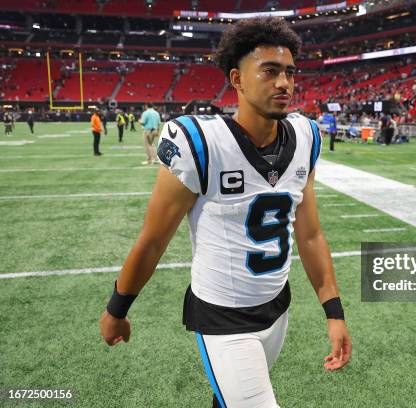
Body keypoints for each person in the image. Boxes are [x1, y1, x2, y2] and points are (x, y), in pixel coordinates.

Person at [99, 17, 351, 408]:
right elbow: (152, 241)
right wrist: (117, 309)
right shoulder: (199, 143)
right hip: (222, 315)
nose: (284, 82)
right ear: (238, 79)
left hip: (276, 307)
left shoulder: (305, 137)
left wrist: (333, 312)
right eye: (269, 71)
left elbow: (311, 234)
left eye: (289, 72)